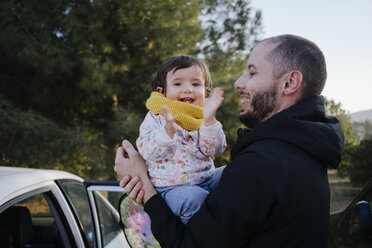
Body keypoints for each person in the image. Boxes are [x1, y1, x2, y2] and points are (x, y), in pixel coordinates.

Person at [114, 34, 345, 248]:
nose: (237, 82)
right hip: (178, 184)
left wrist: (145, 186)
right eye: (178, 83)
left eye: (252, 73)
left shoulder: (262, 165)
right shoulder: (305, 150)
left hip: (194, 184)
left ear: (289, 82)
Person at [136, 55, 227, 224]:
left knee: (236, 170)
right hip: (171, 189)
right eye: (178, 83)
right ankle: (200, 234)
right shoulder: (156, 117)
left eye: (196, 83)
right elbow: (147, 151)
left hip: (206, 178)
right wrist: (166, 135)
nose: (188, 89)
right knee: (193, 199)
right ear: (161, 91)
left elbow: (214, 150)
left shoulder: (203, 116)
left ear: (206, 91)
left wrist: (209, 121)